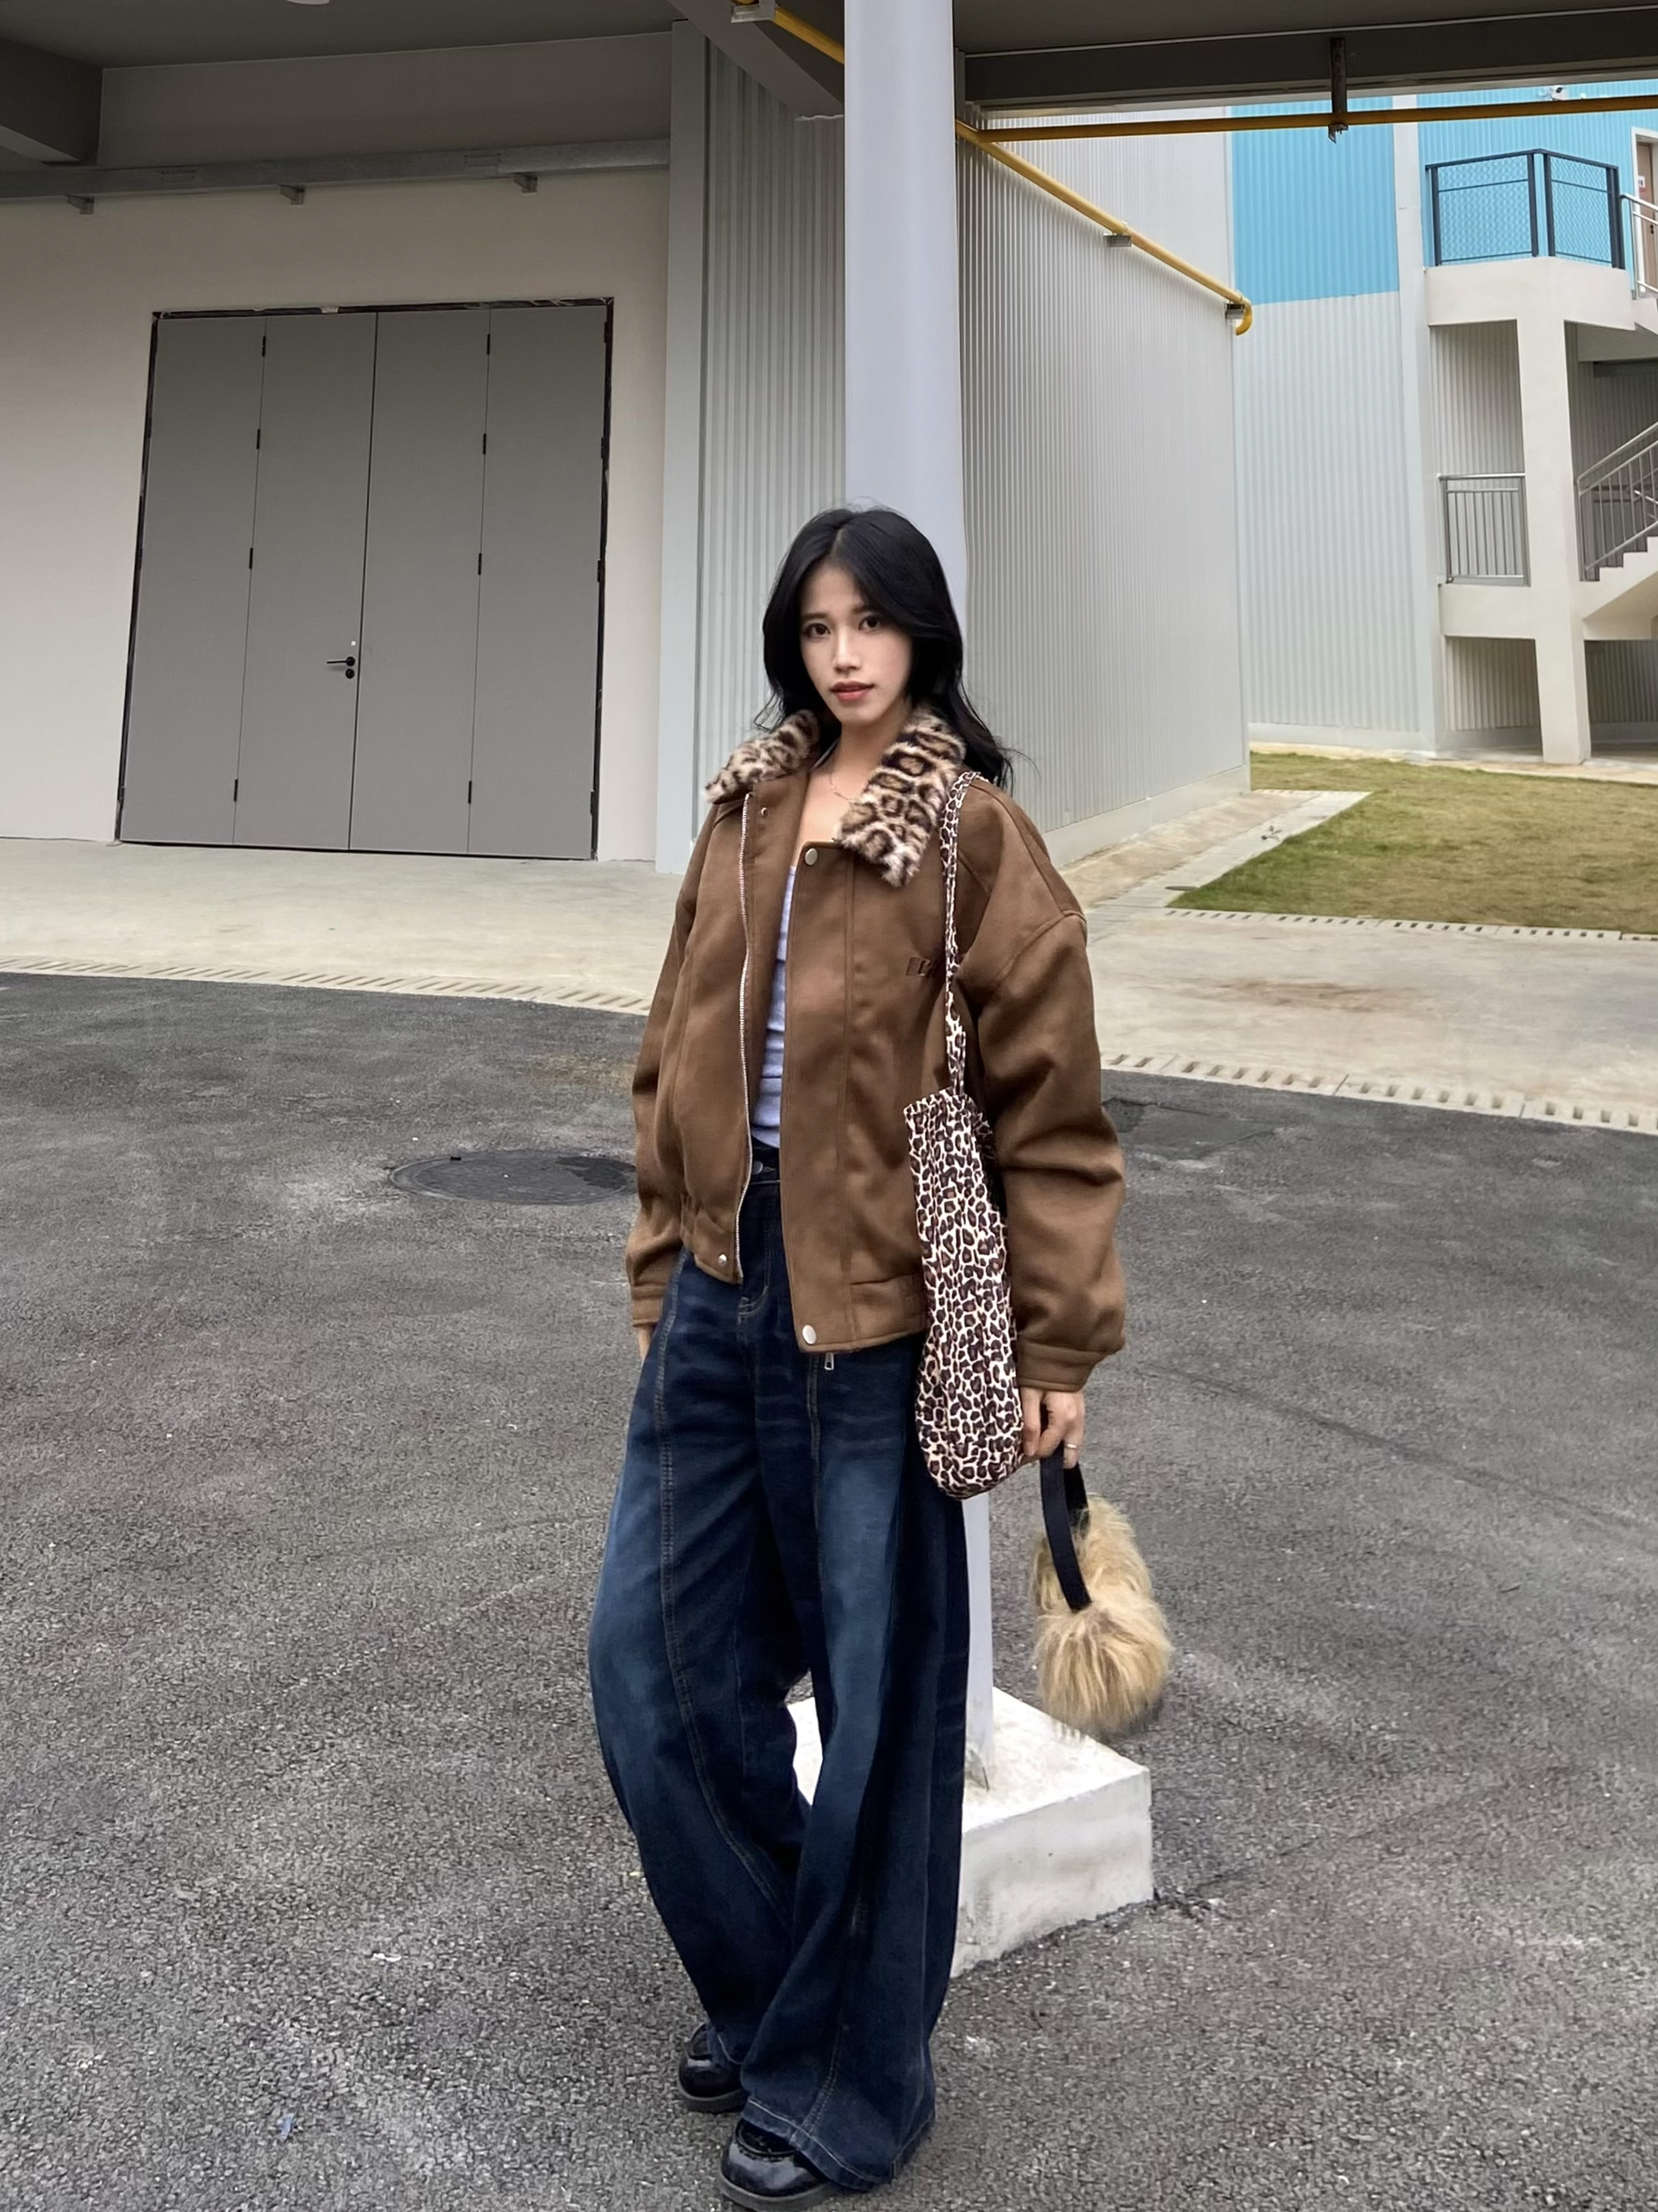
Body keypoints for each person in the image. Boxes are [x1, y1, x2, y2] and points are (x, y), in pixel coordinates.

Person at [588, 506, 1126, 2207]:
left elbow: (1051, 1111)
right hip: (720, 1296)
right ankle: (779, 1993)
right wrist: (661, 1266)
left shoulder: (967, 834)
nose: (843, 654)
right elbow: (672, 1052)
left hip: (878, 1329)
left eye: (871, 622)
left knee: (882, 1720)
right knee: (653, 1674)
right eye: (817, 625)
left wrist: (1057, 1338)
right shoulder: (745, 810)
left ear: (919, 636)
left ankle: (851, 2084)